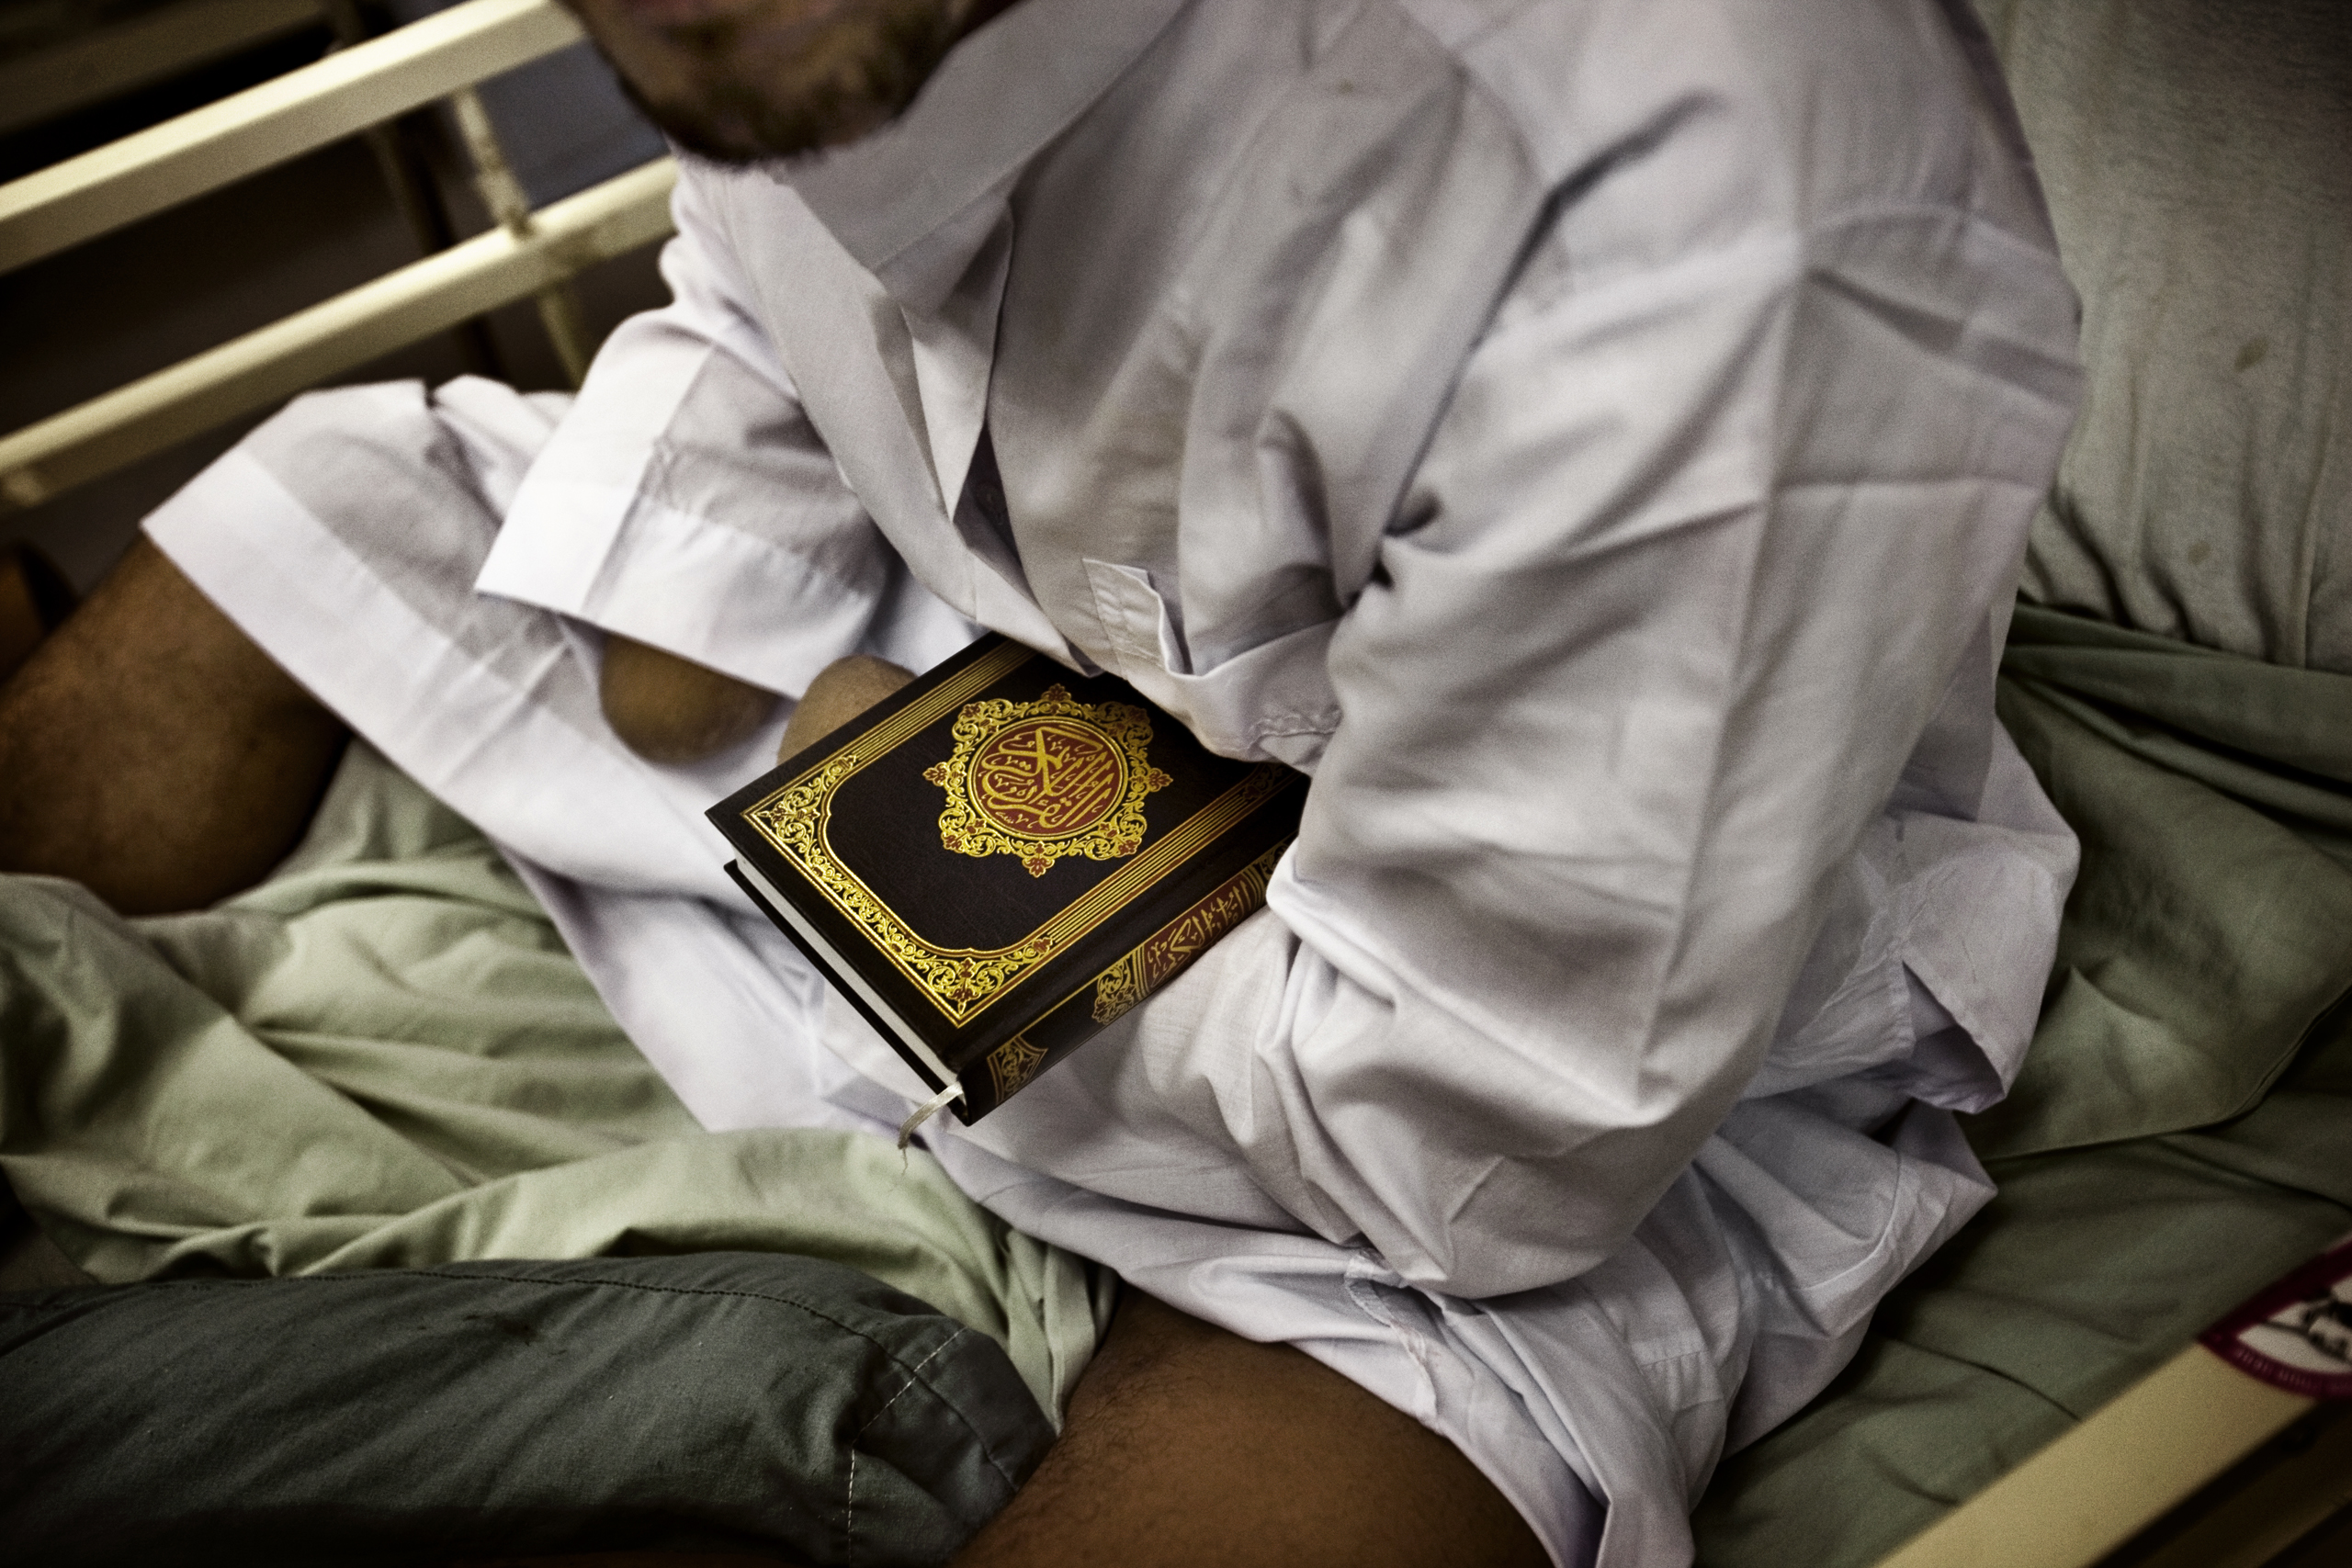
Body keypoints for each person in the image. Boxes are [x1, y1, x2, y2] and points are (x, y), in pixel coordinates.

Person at [0, 0, 2086, 1562]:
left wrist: (883, 811)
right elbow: (745, 310)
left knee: (1391, 1415)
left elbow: (1473, 1151)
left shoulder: (1690, 175)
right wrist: (729, 621)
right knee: (321, 493)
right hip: (921, 662)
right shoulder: (774, 39)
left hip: (1503, 1091)